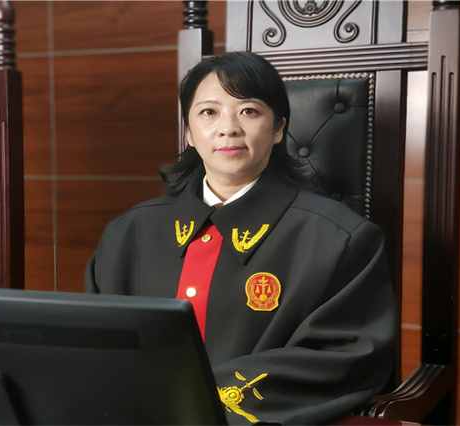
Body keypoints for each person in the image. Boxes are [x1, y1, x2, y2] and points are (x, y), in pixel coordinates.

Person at [85, 51, 395, 425]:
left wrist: (186, 400)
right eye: (209, 112)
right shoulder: (128, 232)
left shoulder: (341, 239)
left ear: (278, 128)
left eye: (249, 111)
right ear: (189, 132)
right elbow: (95, 347)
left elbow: (345, 358)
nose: (228, 128)